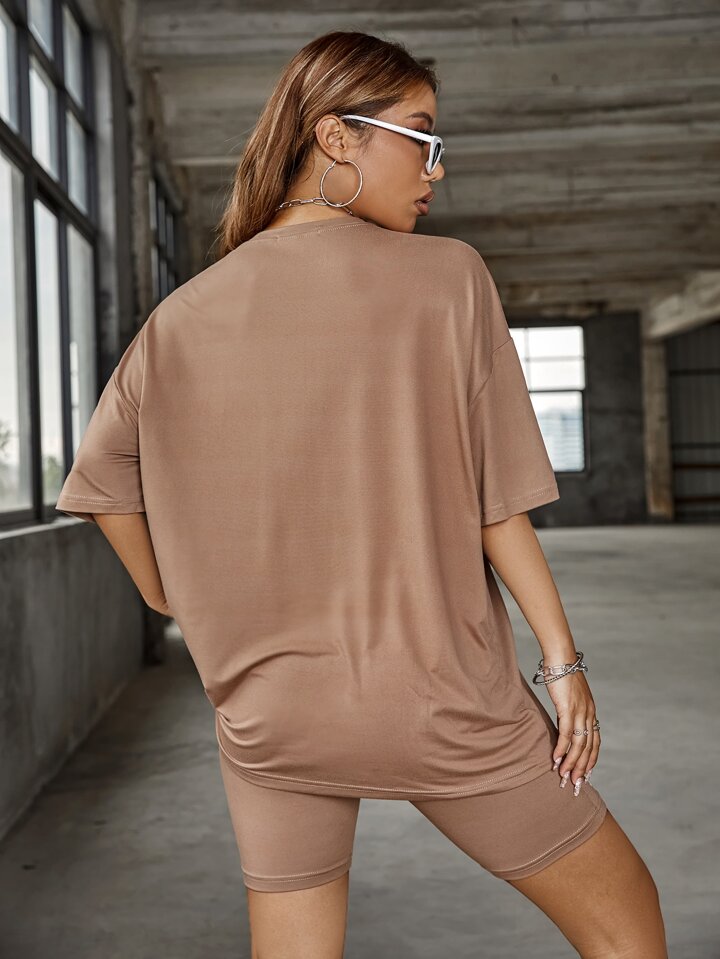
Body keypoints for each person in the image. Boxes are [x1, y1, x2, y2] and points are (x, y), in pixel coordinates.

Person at [55, 29, 667, 959]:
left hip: (268, 715)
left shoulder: (179, 319)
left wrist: (174, 596)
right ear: (337, 136)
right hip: (443, 702)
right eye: (422, 137)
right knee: (626, 924)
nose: (436, 169)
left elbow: (103, 486)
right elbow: (497, 506)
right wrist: (563, 663)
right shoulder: (450, 277)